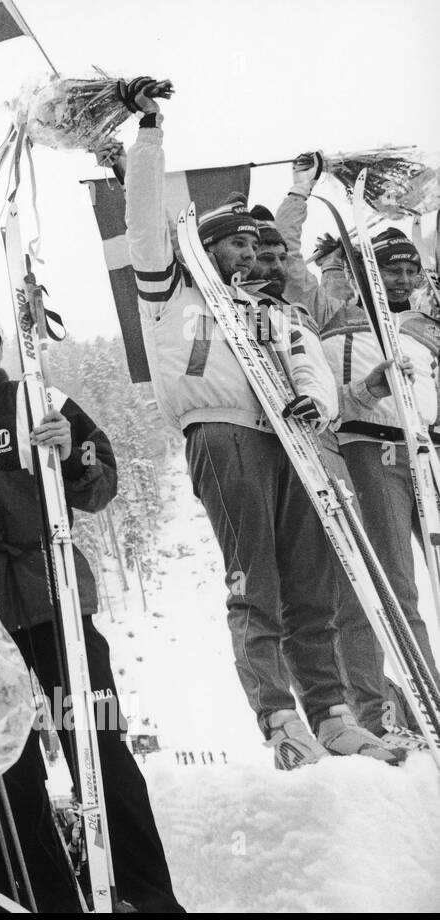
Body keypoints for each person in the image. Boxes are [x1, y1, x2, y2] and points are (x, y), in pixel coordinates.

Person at [120, 82, 400, 769]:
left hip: (292, 443)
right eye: (234, 245)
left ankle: (331, 713)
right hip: (223, 435)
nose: (247, 256)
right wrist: (149, 135)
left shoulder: (274, 312)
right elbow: (145, 226)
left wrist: (315, 406)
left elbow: (312, 372)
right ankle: (278, 716)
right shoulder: (172, 294)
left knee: (311, 581)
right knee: (259, 580)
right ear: (204, 250)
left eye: (253, 246)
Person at [0, 289, 181, 913]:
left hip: (55, 594)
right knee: (5, 763)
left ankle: (147, 895)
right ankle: (44, 900)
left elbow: (101, 487)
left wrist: (72, 454)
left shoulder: (42, 401)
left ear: (3, 348)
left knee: (96, 740)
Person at [276, 161, 437, 750]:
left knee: (414, 585)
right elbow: (288, 254)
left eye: (406, 267)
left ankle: (420, 698)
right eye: (384, 267)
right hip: (367, 450)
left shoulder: (419, 324)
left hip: (426, 452)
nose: (398, 277)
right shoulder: (332, 316)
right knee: (389, 586)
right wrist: (303, 189)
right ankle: (382, 709)